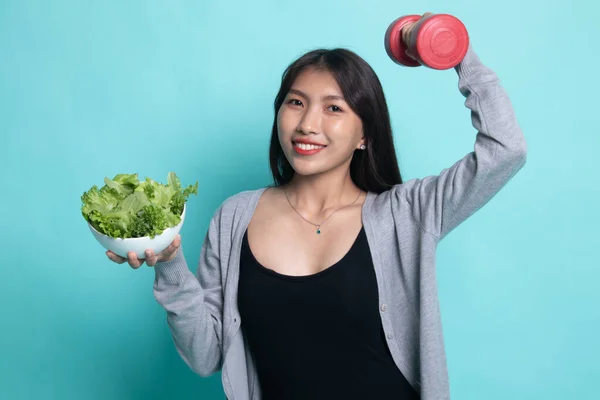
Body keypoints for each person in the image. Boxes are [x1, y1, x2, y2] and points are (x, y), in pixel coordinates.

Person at [107, 12, 527, 400]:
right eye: (296, 102)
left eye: (334, 108)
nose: (308, 124)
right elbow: (205, 357)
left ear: (365, 134)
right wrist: (170, 263)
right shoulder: (235, 217)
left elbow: (505, 150)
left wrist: (455, 50)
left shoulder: (407, 214)